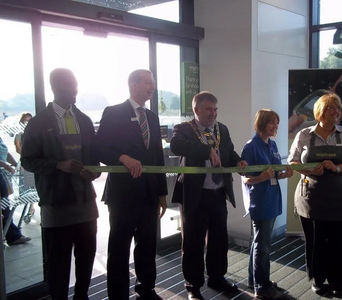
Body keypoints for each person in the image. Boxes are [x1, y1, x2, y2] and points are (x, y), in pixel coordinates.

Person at [21, 68, 99, 300]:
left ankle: (82, 297)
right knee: (58, 263)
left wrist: (92, 172)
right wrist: (58, 165)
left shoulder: (84, 120)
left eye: (76, 84)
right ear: (56, 88)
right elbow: (27, 160)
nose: (76, 89)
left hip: (86, 203)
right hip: (56, 205)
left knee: (86, 259)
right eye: (71, 85)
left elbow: (93, 159)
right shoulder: (37, 123)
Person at [93, 69, 167, 300]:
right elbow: (99, 148)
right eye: (148, 82)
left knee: (147, 244)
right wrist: (122, 158)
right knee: (119, 247)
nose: (152, 87)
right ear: (133, 84)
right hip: (123, 194)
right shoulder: (114, 113)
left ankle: (146, 289)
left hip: (149, 193)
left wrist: (162, 194)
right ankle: (117, 295)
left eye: (153, 83)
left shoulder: (152, 118)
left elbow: (157, 159)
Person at [170, 91, 247, 300]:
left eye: (215, 109)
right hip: (195, 195)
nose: (213, 113)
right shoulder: (184, 129)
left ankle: (217, 278)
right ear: (196, 110)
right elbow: (175, 145)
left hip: (218, 193)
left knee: (219, 239)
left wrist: (238, 161)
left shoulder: (221, 129)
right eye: (208, 109)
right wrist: (206, 151)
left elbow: (229, 153)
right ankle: (193, 286)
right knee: (193, 242)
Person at [287, 93, 342, 297]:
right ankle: (319, 280)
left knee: (340, 241)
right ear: (320, 112)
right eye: (332, 108)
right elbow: (292, 161)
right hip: (312, 198)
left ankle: (338, 280)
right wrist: (310, 170)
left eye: (338, 109)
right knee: (316, 242)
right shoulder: (304, 134)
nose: (337, 112)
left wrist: (337, 168)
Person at [241, 109, 292, 300]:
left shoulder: (273, 144)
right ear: (261, 123)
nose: (275, 126)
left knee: (259, 243)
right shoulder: (250, 147)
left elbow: (275, 171)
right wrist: (261, 177)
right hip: (260, 201)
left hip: (272, 198)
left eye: (276, 123)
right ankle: (261, 287)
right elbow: (245, 179)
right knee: (263, 246)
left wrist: (283, 174)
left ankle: (254, 280)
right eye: (271, 122)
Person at [1, 136, 31, 245]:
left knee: (5, 206)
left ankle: (12, 235)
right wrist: (7, 167)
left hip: (2, 174)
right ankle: (13, 235)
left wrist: (16, 165)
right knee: (4, 206)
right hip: (1, 172)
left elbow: (6, 154)